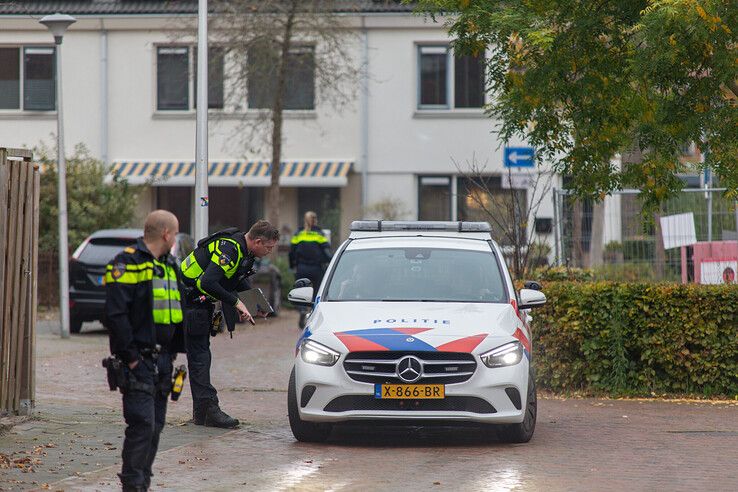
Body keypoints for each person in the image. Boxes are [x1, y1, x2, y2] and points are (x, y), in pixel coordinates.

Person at [105, 210, 184, 492]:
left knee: (155, 428)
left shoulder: (169, 265)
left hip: (164, 361)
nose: (175, 239)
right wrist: (132, 360)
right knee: (142, 427)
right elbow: (116, 316)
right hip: (138, 361)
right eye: (175, 234)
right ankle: (133, 487)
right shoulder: (127, 263)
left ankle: (143, 485)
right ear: (166, 234)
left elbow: (177, 308)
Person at [179, 220, 279, 428]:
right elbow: (208, 282)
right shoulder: (230, 249)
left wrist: (254, 305)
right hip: (189, 302)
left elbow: (237, 279)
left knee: (201, 356)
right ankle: (207, 410)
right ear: (258, 241)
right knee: (200, 358)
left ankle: (202, 413)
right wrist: (236, 303)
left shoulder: (243, 251)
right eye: (268, 247)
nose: (269, 252)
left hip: (198, 304)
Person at [289, 211, 332, 328]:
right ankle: (313, 317)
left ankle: (302, 310)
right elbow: (327, 252)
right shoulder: (319, 234)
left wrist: (292, 266)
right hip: (316, 269)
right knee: (317, 292)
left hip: (302, 268)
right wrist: (331, 262)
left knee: (301, 292)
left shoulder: (298, 234)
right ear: (315, 220)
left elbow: (291, 252)